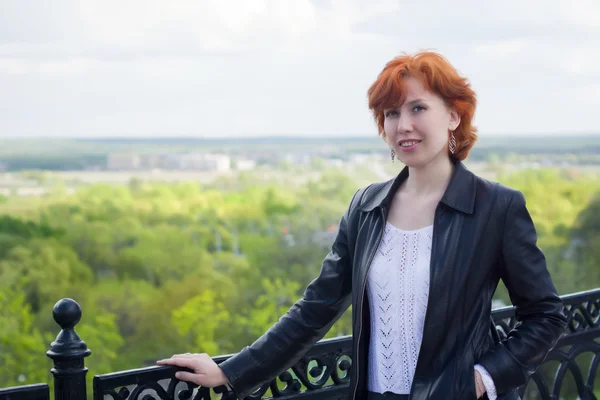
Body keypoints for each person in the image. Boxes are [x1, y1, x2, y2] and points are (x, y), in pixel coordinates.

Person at [157, 51, 567, 399]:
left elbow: (545, 315)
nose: (402, 125)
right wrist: (232, 371)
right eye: (391, 113)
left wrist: (479, 380)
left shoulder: (497, 207)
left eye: (418, 108)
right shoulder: (366, 207)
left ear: (454, 117)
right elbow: (315, 309)